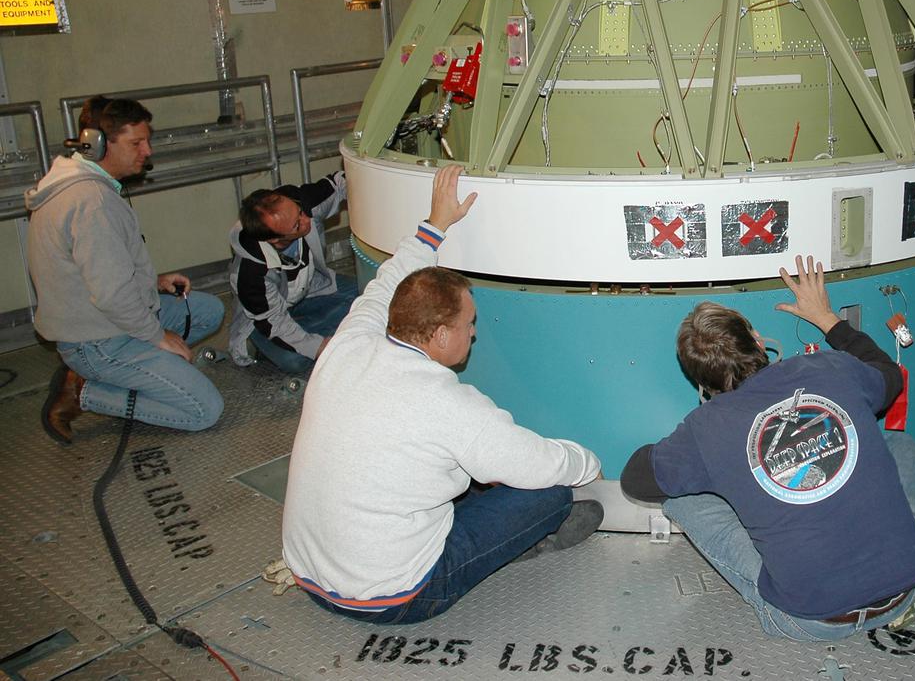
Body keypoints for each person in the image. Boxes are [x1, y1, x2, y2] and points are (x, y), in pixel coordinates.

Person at [283, 165, 603, 624]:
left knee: (469, 471)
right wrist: (588, 462)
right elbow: (542, 465)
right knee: (548, 495)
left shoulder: (349, 343)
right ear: (437, 335)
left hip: (310, 575)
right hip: (396, 598)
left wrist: (436, 225)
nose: (473, 334)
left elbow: (387, 282)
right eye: (467, 325)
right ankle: (517, 545)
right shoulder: (444, 401)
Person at [620, 255, 915, 642]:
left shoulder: (705, 427)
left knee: (680, 499)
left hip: (810, 621)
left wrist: (711, 451)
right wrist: (826, 318)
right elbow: (887, 376)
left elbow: (635, 480)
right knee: (898, 442)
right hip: (904, 588)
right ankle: (896, 587)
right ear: (756, 340)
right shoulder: (829, 367)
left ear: (700, 381)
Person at [26, 96, 225, 444]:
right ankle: (83, 391)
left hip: (109, 319)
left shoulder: (85, 187)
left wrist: (154, 282)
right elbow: (112, 293)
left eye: (147, 140)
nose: (147, 151)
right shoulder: (93, 202)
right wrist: (155, 336)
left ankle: (136, 369)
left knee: (209, 310)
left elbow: (99, 268)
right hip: (99, 339)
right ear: (98, 144)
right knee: (204, 410)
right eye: (136, 143)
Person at [228, 172, 355, 374]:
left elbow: (341, 182)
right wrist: (319, 347)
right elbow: (274, 323)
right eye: (297, 225)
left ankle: (318, 329)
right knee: (294, 361)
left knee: (370, 296)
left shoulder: (301, 203)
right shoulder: (249, 273)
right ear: (274, 240)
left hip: (313, 287)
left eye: (299, 212)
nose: (306, 220)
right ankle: (265, 346)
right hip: (267, 321)